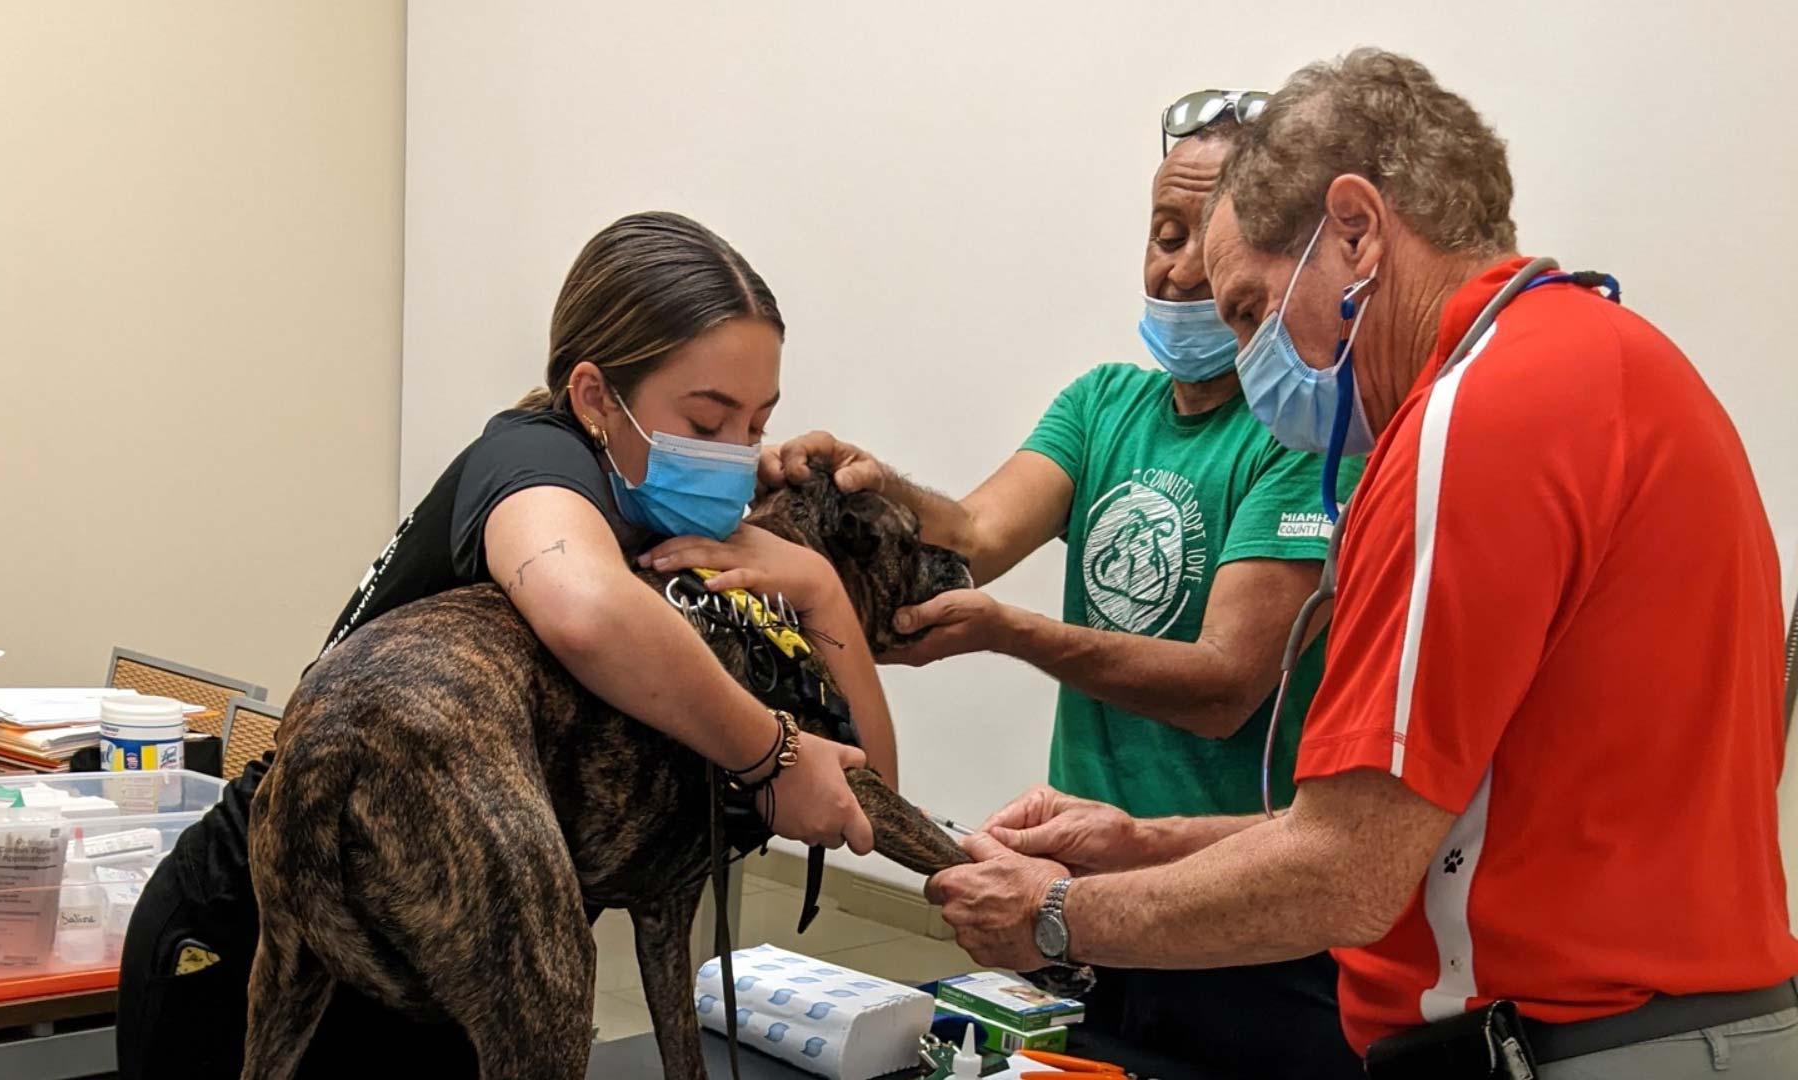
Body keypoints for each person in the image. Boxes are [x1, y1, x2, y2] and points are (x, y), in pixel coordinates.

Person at [927, 49, 1798, 1078]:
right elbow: (1423, 828)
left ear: (1355, 230)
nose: (1251, 359)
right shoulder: (1616, 364)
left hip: (1571, 1042)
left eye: (1250, 309)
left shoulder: (1472, 419)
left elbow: (1345, 873)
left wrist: (1059, 917)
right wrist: (1139, 843)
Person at [117, 212, 899, 1078]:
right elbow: (584, 609)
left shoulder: (682, 538)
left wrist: (818, 587)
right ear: (597, 397)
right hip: (264, 921)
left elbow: (870, 792)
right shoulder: (533, 458)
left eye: (756, 427)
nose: (736, 458)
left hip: (448, 948)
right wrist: (771, 754)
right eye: (705, 424)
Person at [768, 91, 1362, 1078]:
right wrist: (862, 490)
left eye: (1208, 243)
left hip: (1237, 912)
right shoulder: (1101, 403)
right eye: (1162, 234)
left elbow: (1223, 686)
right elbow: (972, 532)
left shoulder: (1299, 441)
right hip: (1080, 896)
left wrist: (1011, 634)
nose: (1178, 268)